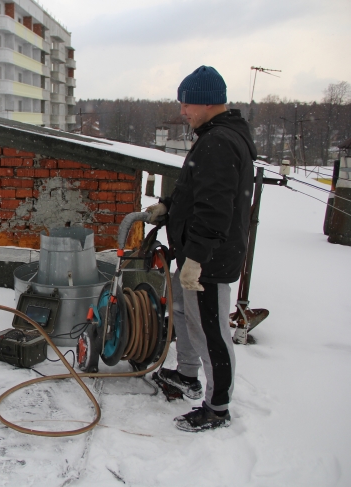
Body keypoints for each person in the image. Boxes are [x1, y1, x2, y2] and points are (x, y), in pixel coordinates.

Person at [147, 66, 256, 432]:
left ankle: (218, 407)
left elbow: (215, 206)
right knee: (184, 312)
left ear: (208, 102)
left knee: (211, 331)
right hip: (195, 253)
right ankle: (187, 375)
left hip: (207, 258)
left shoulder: (219, 141)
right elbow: (197, 190)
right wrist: (169, 205)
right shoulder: (213, 136)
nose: (182, 111)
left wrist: (196, 259)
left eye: (187, 104)